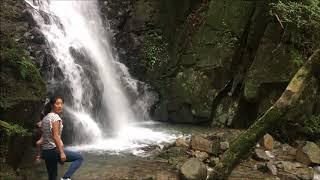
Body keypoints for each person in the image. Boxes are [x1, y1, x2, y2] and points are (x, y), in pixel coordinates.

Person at [41, 95, 83, 180]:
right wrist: (62, 152)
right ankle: (66, 177)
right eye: (57, 103)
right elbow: (55, 136)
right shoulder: (55, 118)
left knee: (52, 177)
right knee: (79, 158)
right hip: (53, 150)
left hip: (46, 151)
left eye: (61, 103)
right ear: (52, 105)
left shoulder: (46, 118)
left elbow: (45, 136)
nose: (60, 106)